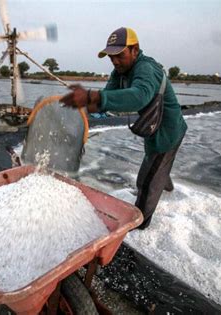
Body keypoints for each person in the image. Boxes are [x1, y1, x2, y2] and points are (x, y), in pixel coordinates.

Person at [60, 27, 187, 229]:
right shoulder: (119, 72)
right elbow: (105, 97)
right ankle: (165, 182)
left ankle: (140, 226)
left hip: (167, 132)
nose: (115, 61)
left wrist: (94, 96)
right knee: (157, 165)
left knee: (146, 182)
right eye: (111, 57)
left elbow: (139, 96)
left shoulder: (146, 68)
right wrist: (83, 109)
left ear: (134, 50)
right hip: (153, 128)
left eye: (119, 55)